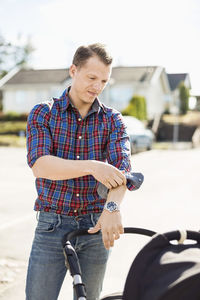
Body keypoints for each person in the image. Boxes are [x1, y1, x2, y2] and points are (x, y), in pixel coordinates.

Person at [25, 43, 136, 300]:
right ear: (73, 70)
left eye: (104, 81)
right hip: (51, 225)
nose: (97, 86)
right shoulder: (44, 112)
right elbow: (41, 165)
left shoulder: (113, 120)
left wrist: (112, 208)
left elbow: (122, 173)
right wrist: (92, 166)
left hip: (96, 227)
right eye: (91, 77)